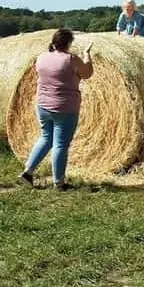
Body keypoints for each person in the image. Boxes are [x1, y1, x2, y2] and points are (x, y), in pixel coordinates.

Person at [17, 29, 93, 190]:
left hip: (42, 105)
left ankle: (27, 171)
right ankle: (59, 183)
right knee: (60, 144)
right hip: (64, 108)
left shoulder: (42, 57)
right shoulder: (71, 59)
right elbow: (87, 73)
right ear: (68, 44)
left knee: (45, 138)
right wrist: (87, 55)